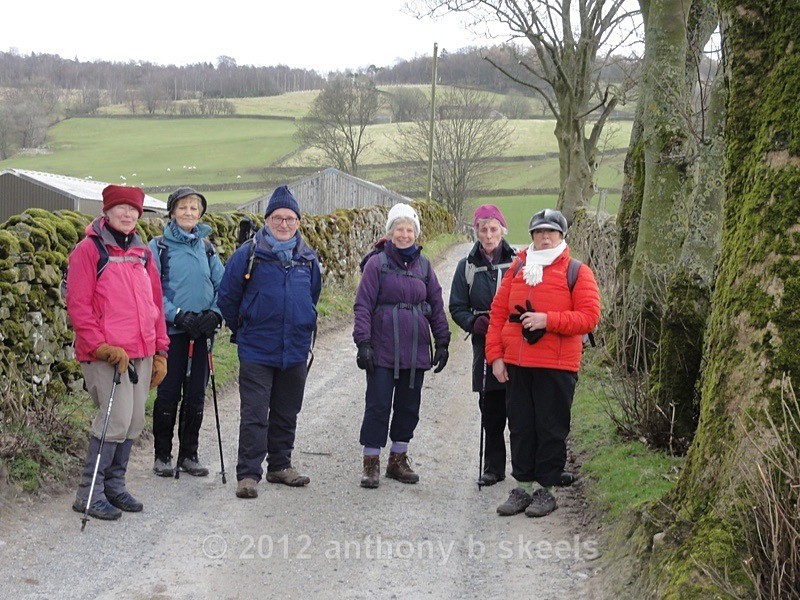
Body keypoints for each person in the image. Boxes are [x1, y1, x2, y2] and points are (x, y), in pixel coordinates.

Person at [485, 208, 600, 518]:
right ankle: (522, 487)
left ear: (562, 236)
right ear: (532, 236)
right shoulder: (517, 269)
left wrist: (547, 320)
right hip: (518, 363)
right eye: (539, 232)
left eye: (552, 232)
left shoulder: (578, 271)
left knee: (550, 428)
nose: (545, 237)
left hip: (557, 365)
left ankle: (545, 491)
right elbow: (497, 315)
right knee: (521, 426)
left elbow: (589, 317)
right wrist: (495, 356)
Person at [67, 185, 169, 521]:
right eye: (120, 208)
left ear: (140, 214)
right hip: (107, 355)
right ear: (106, 211)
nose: (127, 214)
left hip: (140, 352)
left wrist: (160, 351)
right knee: (114, 421)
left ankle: (115, 486)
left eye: (133, 209)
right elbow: (79, 306)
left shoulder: (143, 253)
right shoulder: (88, 250)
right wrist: (101, 347)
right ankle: (90, 493)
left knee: (134, 422)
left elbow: (155, 303)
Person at [218, 185, 321, 499]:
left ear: (299, 222)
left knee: (287, 409)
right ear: (267, 219)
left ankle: (280, 465)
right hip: (257, 349)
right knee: (254, 412)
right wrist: (246, 327)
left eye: (290, 218)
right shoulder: (248, 255)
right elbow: (227, 298)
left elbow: (313, 296)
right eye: (278, 217)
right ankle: (248, 475)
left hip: (296, 348)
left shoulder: (307, 258)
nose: (284, 224)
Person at [353, 203, 451, 488]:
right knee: (378, 405)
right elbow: (363, 305)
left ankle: (398, 459)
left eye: (409, 229)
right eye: (399, 229)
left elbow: (435, 303)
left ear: (416, 233)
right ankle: (371, 463)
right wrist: (363, 343)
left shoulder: (424, 266)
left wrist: (442, 341)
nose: (405, 234)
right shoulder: (377, 263)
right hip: (382, 349)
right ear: (390, 232)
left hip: (415, 349)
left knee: (409, 406)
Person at [149, 187, 225, 478]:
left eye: (194, 208)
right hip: (173, 334)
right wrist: (177, 315)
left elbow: (223, 285)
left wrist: (215, 314)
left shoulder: (206, 248)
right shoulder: (159, 247)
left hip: (202, 333)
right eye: (183, 208)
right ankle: (162, 455)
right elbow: (153, 291)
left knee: (195, 395)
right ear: (171, 212)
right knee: (168, 393)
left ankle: (189, 455)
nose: (189, 213)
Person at [449, 204, 516, 486]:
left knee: (519, 409)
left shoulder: (518, 263)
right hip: (483, 343)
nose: (488, 235)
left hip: (514, 343)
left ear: (502, 230)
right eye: (483, 229)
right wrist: (471, 323)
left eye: (493, 229)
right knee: (490, 408)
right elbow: (456, 306)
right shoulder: (466, 267)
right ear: (476, 232)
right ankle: (493, 467)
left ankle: (525, 466)